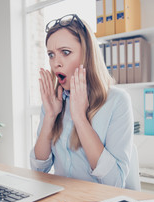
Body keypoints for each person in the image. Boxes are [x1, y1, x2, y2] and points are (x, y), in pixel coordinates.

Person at [30, 14, 134, 188]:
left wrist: (79, 117)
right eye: (51, 55)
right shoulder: (54, 102)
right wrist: (50, 115)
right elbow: (38, 169)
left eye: (65, 52)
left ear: (87, 55)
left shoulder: (117, 101)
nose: (56, 63)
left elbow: (115, 182)